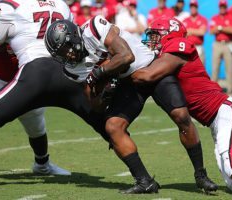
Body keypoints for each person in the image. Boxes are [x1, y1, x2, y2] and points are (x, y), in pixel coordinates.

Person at [45, 16, 218, 194]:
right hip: (128, 82)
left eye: (66, 49)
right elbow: (94, 103)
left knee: (181, 116)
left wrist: (99, 73)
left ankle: (201, 175)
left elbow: (126, 56)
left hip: (150, 67)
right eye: (61, 54)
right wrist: (105, 95)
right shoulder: (72, 68)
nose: (68, 56)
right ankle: (144, 181)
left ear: (74, 37)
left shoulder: (93, 29)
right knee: (112, 127)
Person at [131, 16, 232, 194]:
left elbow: (147, 76)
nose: (152, 40)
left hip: (227, 111)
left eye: (155, 35)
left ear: (169, 35)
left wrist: (121, 68)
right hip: (218, 118)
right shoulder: (166, 54)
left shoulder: (179, 46)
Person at [0, 0, 73, 175]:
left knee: (36, 123)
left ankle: (42, 164)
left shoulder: (56, 5)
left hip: (29, 79)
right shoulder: (5, 7)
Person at [210, 0, 232, 96]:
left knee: (229, 69)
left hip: (228, 43)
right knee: (215, 68)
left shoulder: (230, 17)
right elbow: (212, 30)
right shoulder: (214, 17)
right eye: (221, 7)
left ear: (226, 7)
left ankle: (231, 92)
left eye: (224, 7)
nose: (222, 8)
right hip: (218, 44)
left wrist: (220, 28)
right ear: (219, 7)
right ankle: (213, 92)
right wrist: (224, 28)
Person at [182, 0, 207, 65]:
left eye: (194, 6)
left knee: (200, 69)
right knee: (187, 68)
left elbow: (202, 32)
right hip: (188, 47)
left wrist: (190, 30)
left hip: (198, 47)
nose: (193, 8)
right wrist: (196, 31)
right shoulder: (185, 20)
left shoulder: (202, 19)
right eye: (191, 7)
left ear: (197, 7)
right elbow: (183, 34)